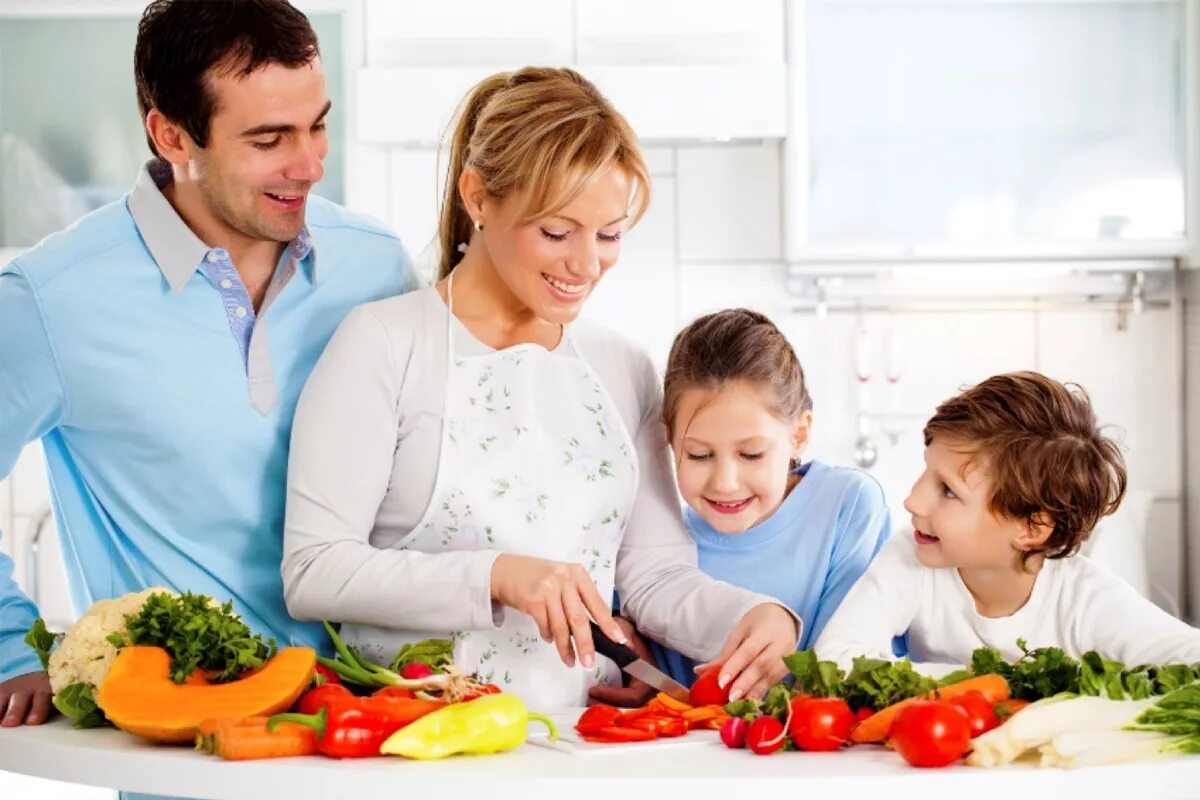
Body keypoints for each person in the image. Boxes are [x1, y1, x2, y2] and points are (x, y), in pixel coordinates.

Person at [281, 67, 799, 710]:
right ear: (478, 197)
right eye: (556, 232)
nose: (586, 265)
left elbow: (655, 575)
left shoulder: (620, 365)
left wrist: (754, 616)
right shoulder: (384, 343)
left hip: (577, 743)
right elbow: (315, 570)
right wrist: (498, 575)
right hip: (409, 740)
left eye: (609, 235)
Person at [0, 0, 414, 728]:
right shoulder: (51, 300)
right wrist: (11, 651)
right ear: (171, 135)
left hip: (367, 736)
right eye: (269, 139)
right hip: (184, 755)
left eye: (318, 124)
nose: (311, 164)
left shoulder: (374, 265)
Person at [815, 371, 1200, 673]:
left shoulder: (1083, 598)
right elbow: (835, 658)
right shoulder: (911, 558)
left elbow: (1189, 656)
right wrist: (982, 687)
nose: (912, 500)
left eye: (948, 490)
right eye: (926, 472)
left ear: (1031, 528)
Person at [647, 309, 891, 686]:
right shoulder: (658, 539)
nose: (725, 483)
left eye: (751, 455)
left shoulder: (847, 505)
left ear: (799, 434)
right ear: (669, 439)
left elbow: (847, 658)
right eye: (698, 455)